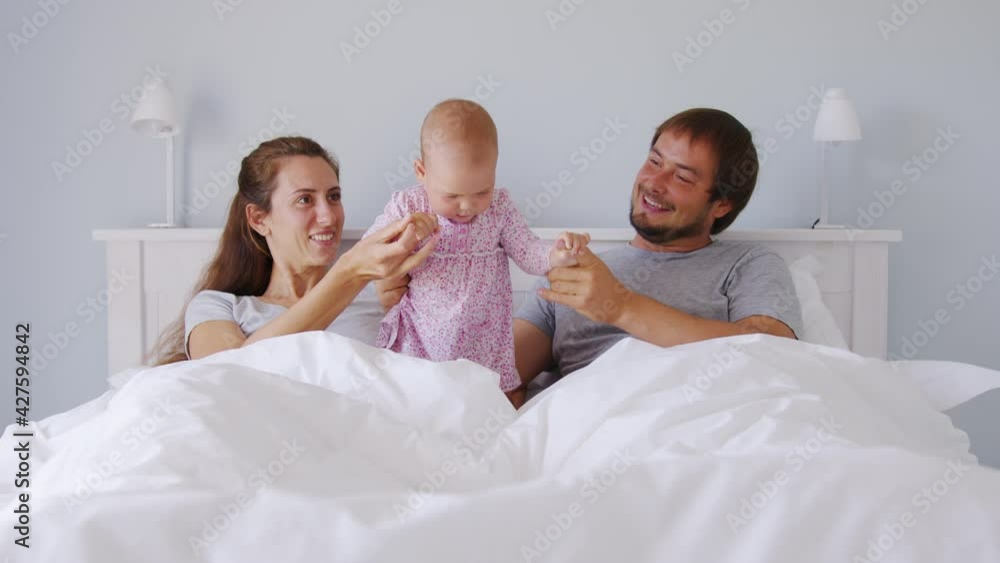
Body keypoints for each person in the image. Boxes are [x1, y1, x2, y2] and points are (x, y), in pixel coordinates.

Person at [509, 108, 804, 406]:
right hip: (591, 427)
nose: (654, 182)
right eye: (654, 161)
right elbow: (493, 378)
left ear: (722, 205)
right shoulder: (572, 271)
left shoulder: (748, 262)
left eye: (683, 177)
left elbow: (773, 352)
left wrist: (621, 305)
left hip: (699, 419)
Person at [366, 99, 590, 392]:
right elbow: (368, 250)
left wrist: (556, 254)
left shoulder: (499, 207)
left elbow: (527, 251)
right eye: (452, 195)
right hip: (423, 334)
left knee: (488, 395)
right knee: (417, 392)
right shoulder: (409, 205)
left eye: (482, 190)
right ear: (422, 172)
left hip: (483, 335)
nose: (467, 206)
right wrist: (402, 235)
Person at [154, 136, 437, 365]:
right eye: (304, 200)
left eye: (333, 197)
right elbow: (230, 374)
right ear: (259, 219)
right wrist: (349, 273)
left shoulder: (380, 295)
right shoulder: (219, 306)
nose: (328, 216)